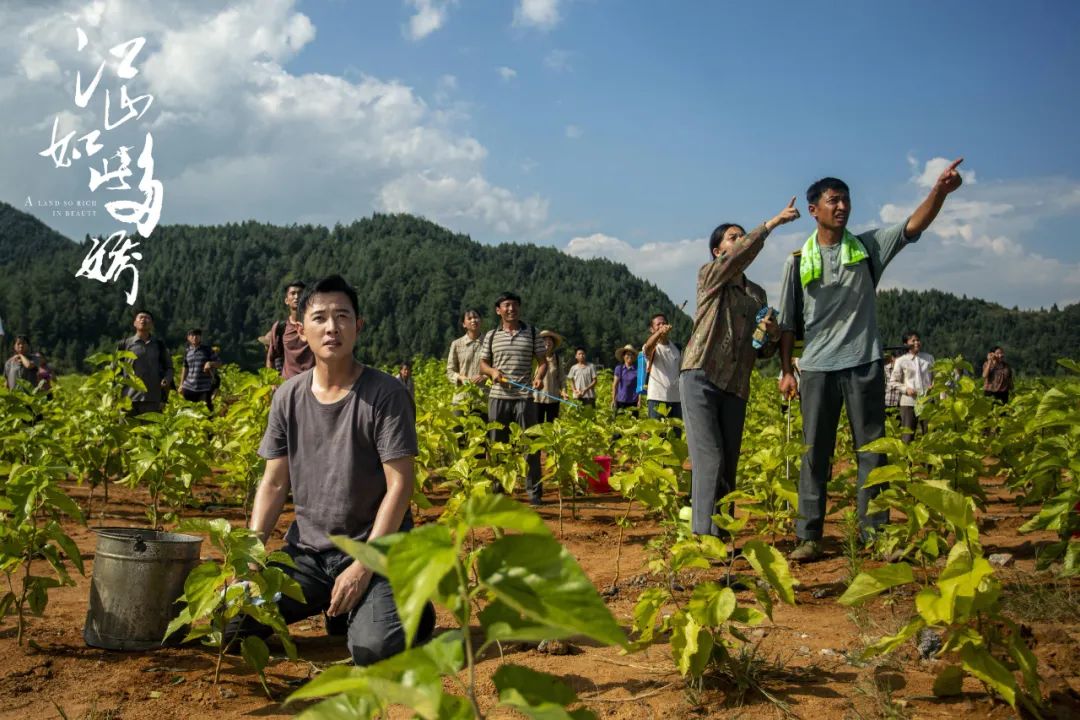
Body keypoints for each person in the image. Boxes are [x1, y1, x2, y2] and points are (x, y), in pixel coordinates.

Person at [778, 159, 965, 561]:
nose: (842, 206)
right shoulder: (797, 261)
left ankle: (875, 535)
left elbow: (912, 226)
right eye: (833, 200)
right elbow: (789, 324)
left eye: (846, 199)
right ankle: (809, 536)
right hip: (815, 369)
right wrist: (785, 372)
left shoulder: (867, 248)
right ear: (814, 209)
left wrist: (940, 192)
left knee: (872, 452)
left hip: (864, 363)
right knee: (815, 454)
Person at [244, 274, 434, 665]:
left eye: (343, 317)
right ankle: (341, 603)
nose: (332, 328)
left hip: (376, 550)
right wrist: (250, 557)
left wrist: (362, 566)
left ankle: (410, 604)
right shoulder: (287, 397)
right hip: (309, 557)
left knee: (372, 648)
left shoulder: (386, 394)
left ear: (358, 326)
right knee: (234, 624)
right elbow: (274, 483)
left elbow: (400, 486)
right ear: (300, 329)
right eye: (320, 317)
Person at [680, 199, 799, 539]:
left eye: (741, 235)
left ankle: (723, 534)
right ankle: (703, 536)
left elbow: (761, 351)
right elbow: (740, 256)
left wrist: (771, 333)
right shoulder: (711, 276)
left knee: (728, 464)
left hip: (735, 384)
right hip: (701, 374)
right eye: (733, 237)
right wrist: (771, 224)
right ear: (718, 251)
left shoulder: (756, 294)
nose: (740, 239)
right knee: (710, 459)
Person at [479, 291, 548, 505]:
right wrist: (492, 373)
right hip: (498, 397)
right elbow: (482, 364)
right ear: (498, 310)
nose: (511, 309)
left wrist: (538, 377)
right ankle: (498, 493)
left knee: (531, 447)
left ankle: (534, 494)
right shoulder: (491, 336)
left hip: (525, 396)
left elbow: (543, 362)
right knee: (497, 445)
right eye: (507, 305)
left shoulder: (533, 333)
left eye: (515, 305)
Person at [118, 310, 173, 416]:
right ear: (134, 323)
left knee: (151, 432)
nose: (143, 319)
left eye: (147, 318)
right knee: (126, 431)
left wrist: (167, 379)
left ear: (152, 324)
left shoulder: (159, 345)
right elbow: (115, 370)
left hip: (153, 400)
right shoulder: (125, 344)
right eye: (140, 317)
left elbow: (169, 368)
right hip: (128, 399)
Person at [889, 332, 934, 443]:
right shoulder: (901, 360)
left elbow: (936, 376)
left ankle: (929, 461)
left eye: (918, 340)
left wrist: (933, 385)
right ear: (906, 344)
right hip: (909, 402)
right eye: (913, 341)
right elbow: (893, 381)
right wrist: (906, 389)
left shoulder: (928, 358)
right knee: (908, 435)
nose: (916, 343)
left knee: (930, 434)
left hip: (927, 401)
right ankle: (906, 460)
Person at [266, 281, 314, 379]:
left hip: (312, 385)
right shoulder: (280, 327)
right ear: (286, 300)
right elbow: (271, 359)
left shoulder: (315, 326)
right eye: (293, 293)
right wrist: (273, 383)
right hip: (288, 386)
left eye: (300, 293)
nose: (297, 296)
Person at [642, 313, 682, 419]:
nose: (662, 326)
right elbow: (648, 346)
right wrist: (660, 332)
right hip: (657, 398)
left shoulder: (676, 349)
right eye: (658, 324)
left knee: (676, 434)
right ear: (652, 329)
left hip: (676, 399)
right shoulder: (652, 348)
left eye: (664, 323)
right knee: (657, 434)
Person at [446, 309, 487, 413]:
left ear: (481, 321)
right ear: (464, 324)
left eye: (476, 317)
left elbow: (496, 367)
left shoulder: (489, 343)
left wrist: (484, 376)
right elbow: (450, 371)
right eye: (469, 318)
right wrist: (461, 377)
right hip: (461, 399)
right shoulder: (456, 344)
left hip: (482, 399)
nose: (473, 320)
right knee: (458, 428)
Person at [179, 328, 221, 412]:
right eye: (192, 335)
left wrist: (210, 363)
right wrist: (181, 384)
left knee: (206, 413)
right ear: (188, 338)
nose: (195, 337)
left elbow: (219, 363)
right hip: (189, 387)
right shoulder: (187, 351)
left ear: (200, 337)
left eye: (197, 335)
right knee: (188, 413)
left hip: (204, 388)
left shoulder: (207, 350)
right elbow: (185, 368)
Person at [534, 330, 567, 423]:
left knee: (551, 427)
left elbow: (562, 378)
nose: (547, 342)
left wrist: (564, 391)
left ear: (553, 344)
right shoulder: (535, 358)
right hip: (536, 398)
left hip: (553, 397)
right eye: (545, 340)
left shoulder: (557, 359)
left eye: (550, 340)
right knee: (536, 427)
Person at [611, 345, 639, 412]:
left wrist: (639, 401)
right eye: (627, 354)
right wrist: (613, 399)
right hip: (621, 400)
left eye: (631, 355)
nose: (630, 356)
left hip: (633, 401)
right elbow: (615, 385)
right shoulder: (619, 369)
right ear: (623, 356)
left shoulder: (637, 370)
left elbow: (639, 387)